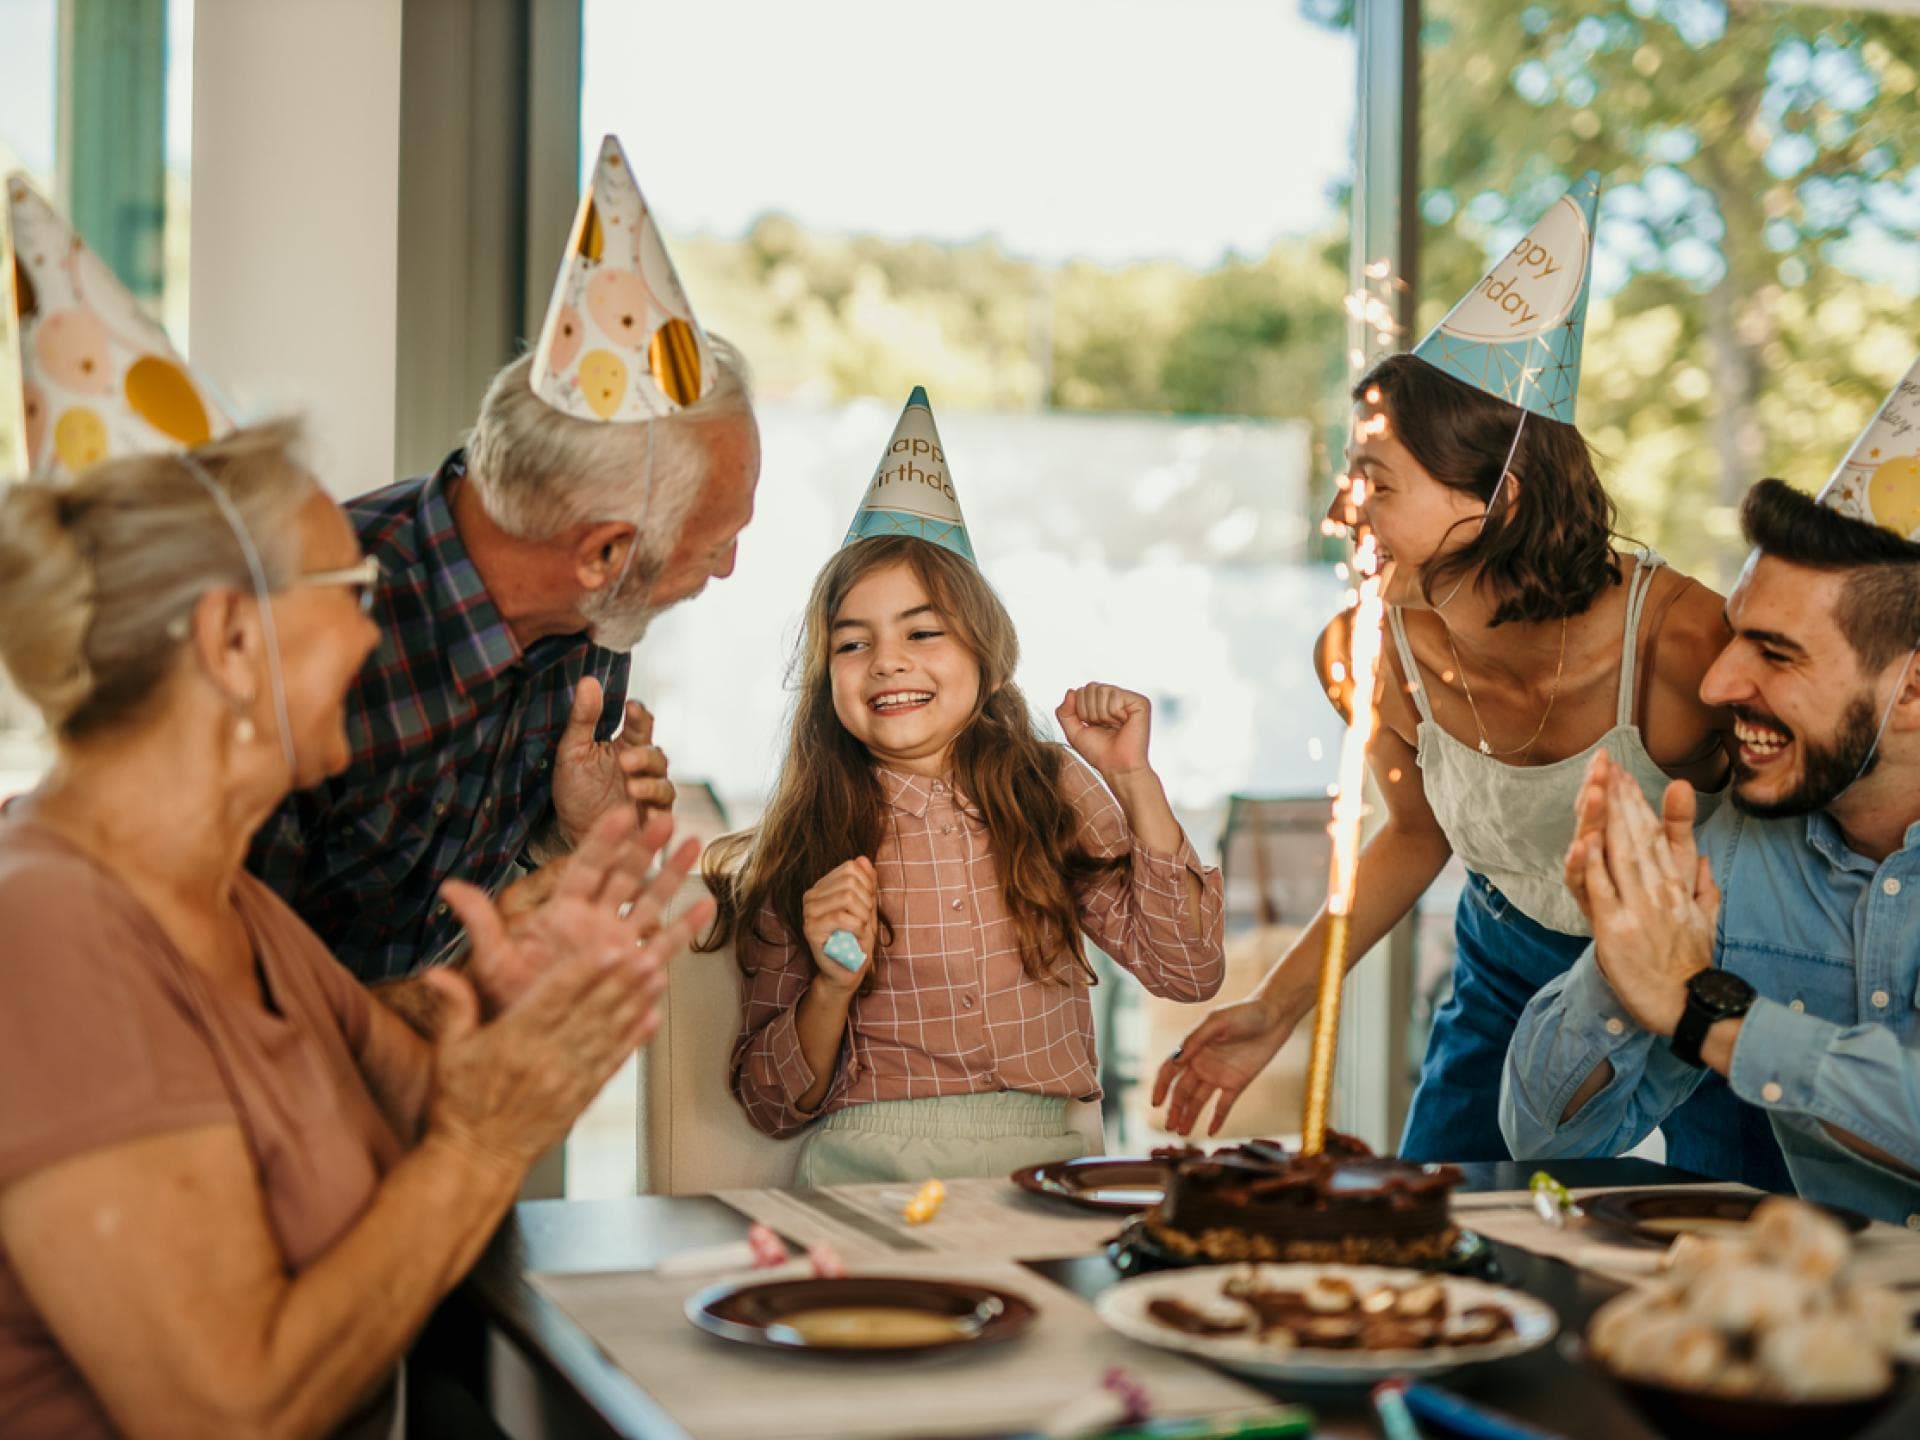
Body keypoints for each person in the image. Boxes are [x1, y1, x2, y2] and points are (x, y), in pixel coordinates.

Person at [0, 422, 712, 1437]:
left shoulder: (224, 902)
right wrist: (486, 1137)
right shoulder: (47, 930)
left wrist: (517, 984)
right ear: (232, 644)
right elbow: (228, 1413)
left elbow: (404, 1090)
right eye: (351, 595)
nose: (378, 637)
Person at [1154, 172, 1789, 1188]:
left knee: (1727, 1235)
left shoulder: (1679, 645)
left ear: (1503, 496)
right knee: (1437, 1222)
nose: (1336, 511)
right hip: (1504, 968)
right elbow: (1412, 834)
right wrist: (1272, 1010)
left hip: (1705, 975)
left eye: (1377, 481)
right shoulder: (1366, 652)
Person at [246, 135, 759, 999]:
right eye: (714, 545)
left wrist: (570, 837)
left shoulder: (592, 623)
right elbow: (214, 997)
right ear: (602, 553)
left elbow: (478, 906)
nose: (730, 568)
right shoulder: (312, 623)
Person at [709, 389, 1225, 1183]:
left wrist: (1132, 779)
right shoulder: (811, 838)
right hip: (871, 1171)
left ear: (985, 655)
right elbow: (771, 1105)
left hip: (1052, 1168)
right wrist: (832, 984)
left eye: (923, 631)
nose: (888, 660)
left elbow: (1188, 971)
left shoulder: (1048, 787)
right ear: (827, 680)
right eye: (854, 643)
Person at [1501, 362, 1920, 1226]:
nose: (1720, 682)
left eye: (1775, 652)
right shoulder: (1724, 848)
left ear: (1911, 690)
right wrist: (1627, 955)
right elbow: (1544, 1142)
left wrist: (1708, 1016)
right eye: (1734, 637)